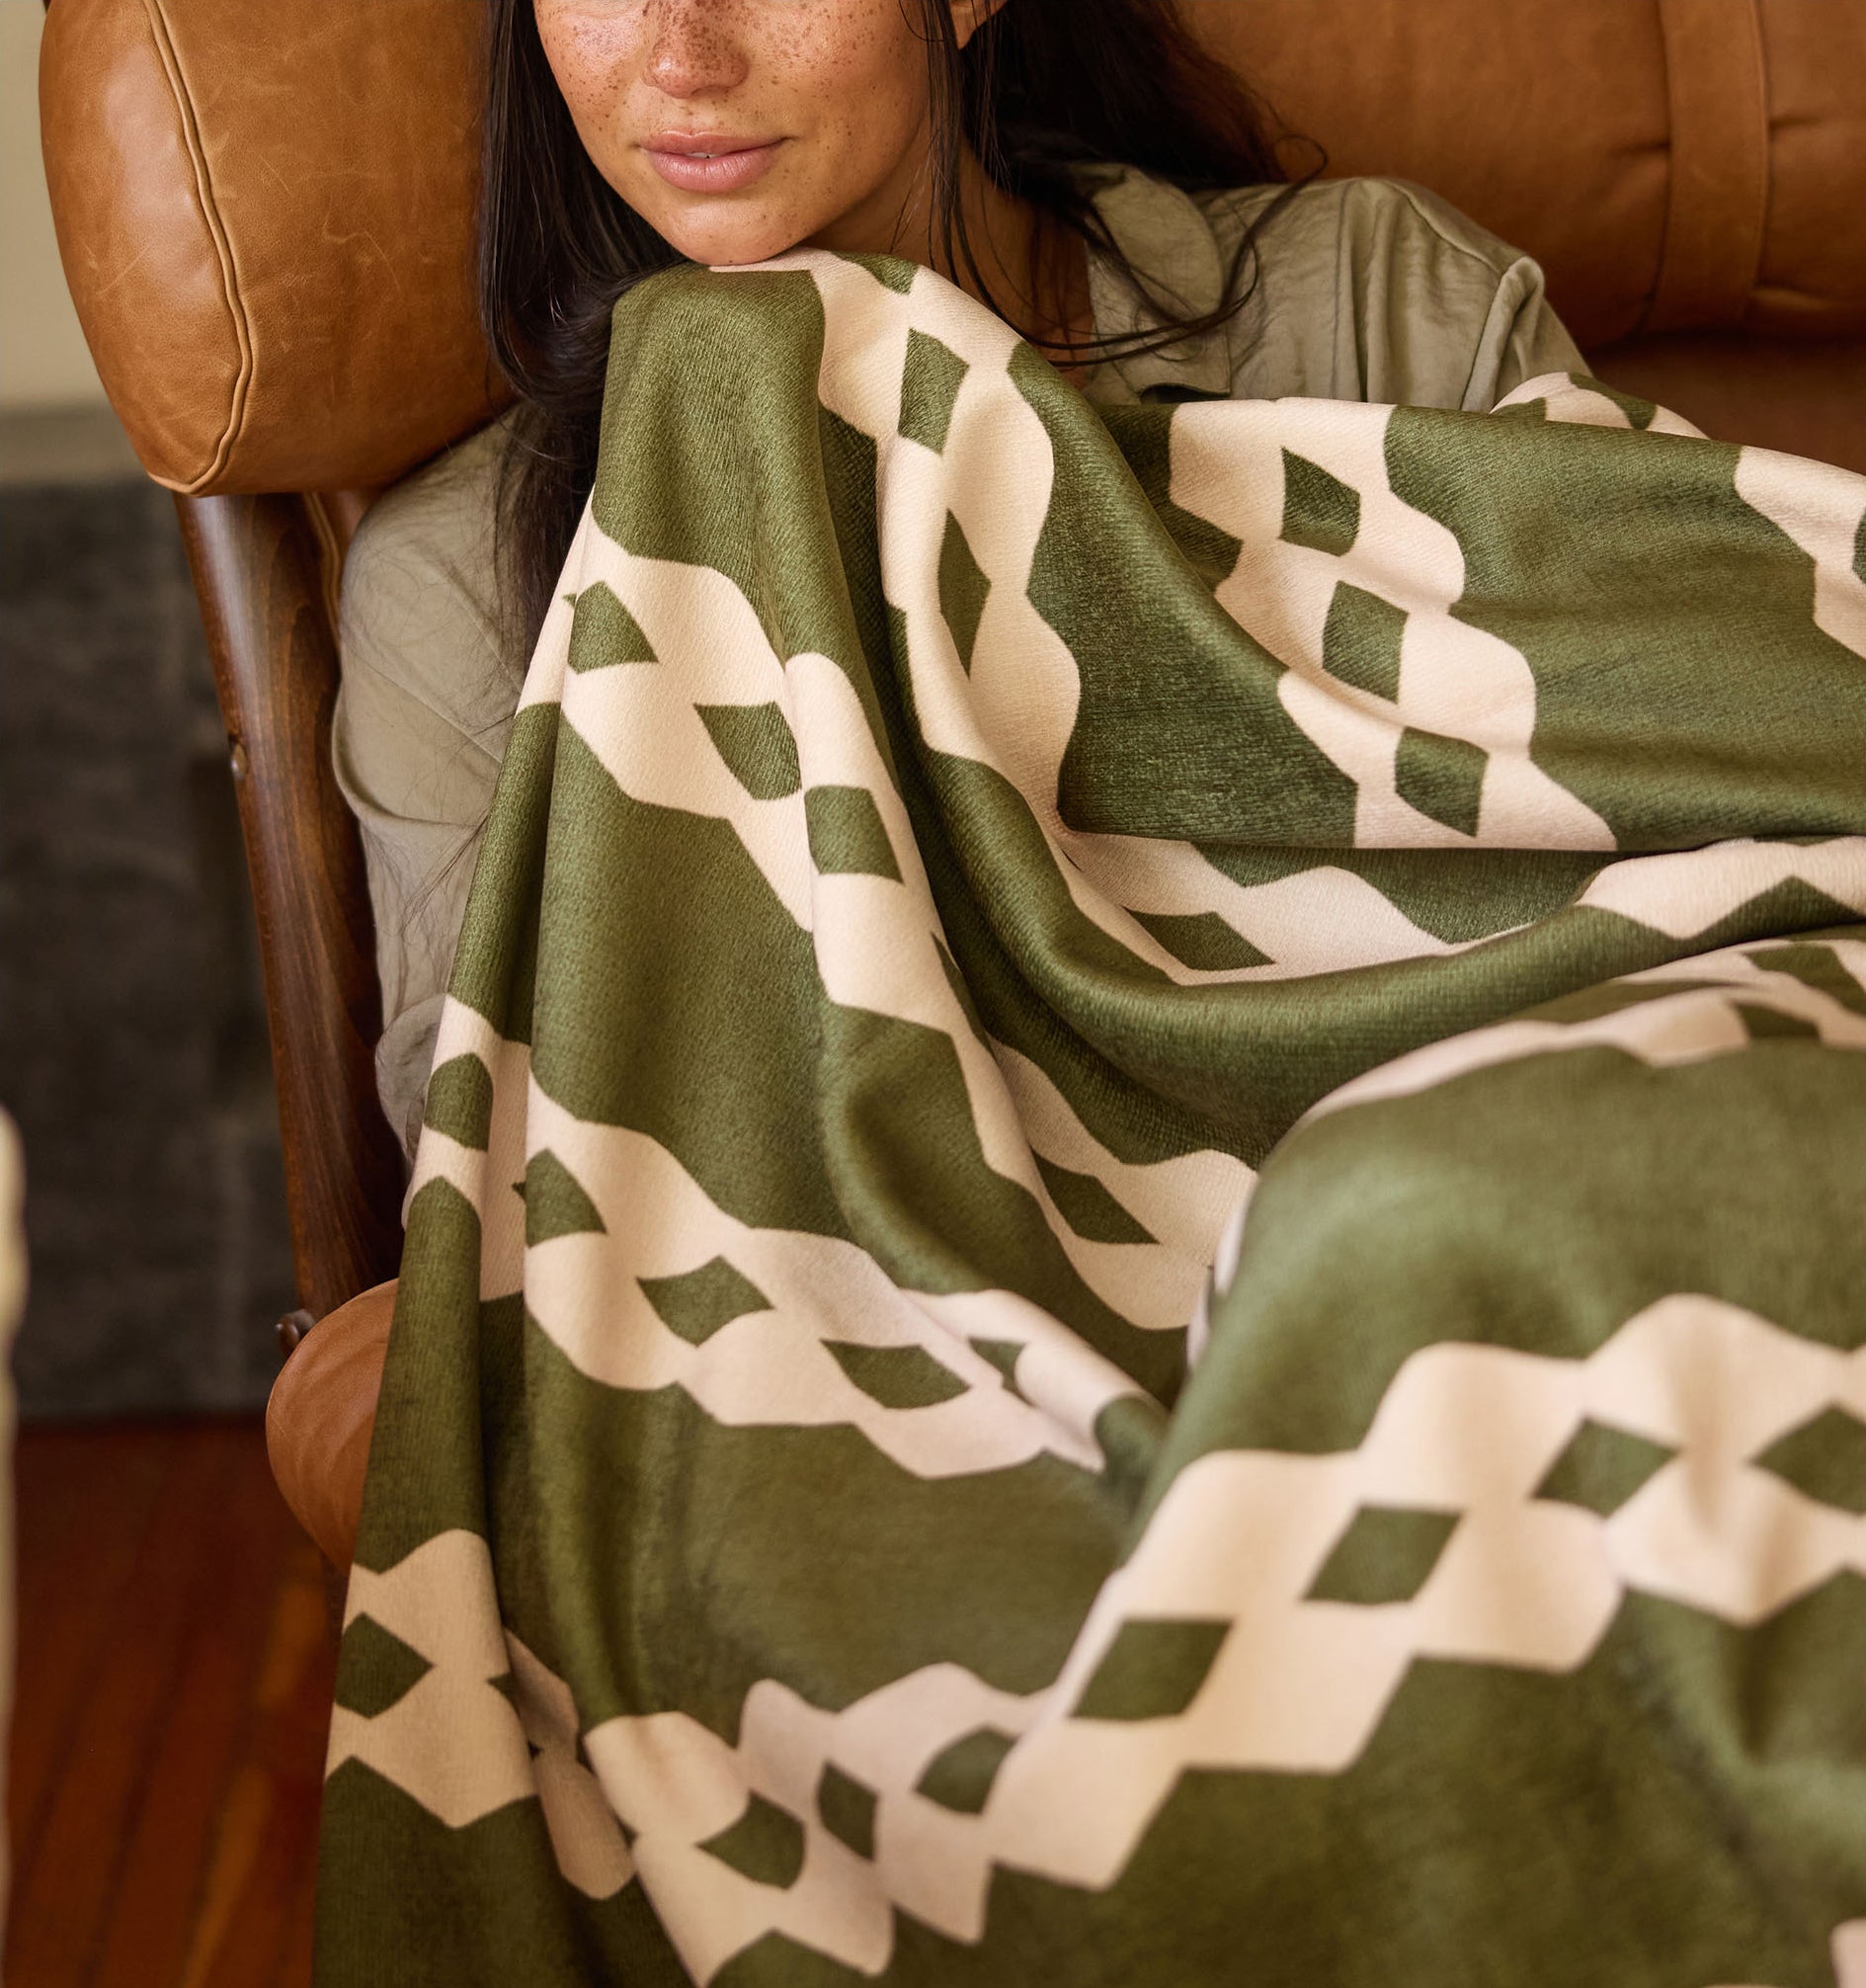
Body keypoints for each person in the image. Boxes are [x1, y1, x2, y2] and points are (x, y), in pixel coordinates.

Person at [337, 0, 1582, 1158]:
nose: (683, 59)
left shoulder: (1381, 313)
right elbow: (511, 1159)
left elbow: (1689, 786)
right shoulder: (458, 578)